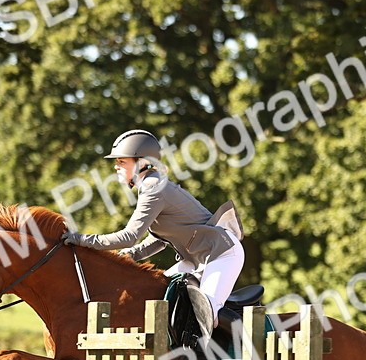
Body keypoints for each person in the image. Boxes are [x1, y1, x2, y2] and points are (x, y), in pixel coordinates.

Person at [62, 129, 245, 335]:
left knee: (206, 311)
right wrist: (127, 256)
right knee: (158, 294)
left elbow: (129, 237)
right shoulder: (149, 185)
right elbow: (158, 240)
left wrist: (81, 239)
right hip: (195, 259)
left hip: (222, 254)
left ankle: (251, 343)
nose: (116, 166)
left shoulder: (153, 187)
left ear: (141, 162)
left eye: (122, 161)